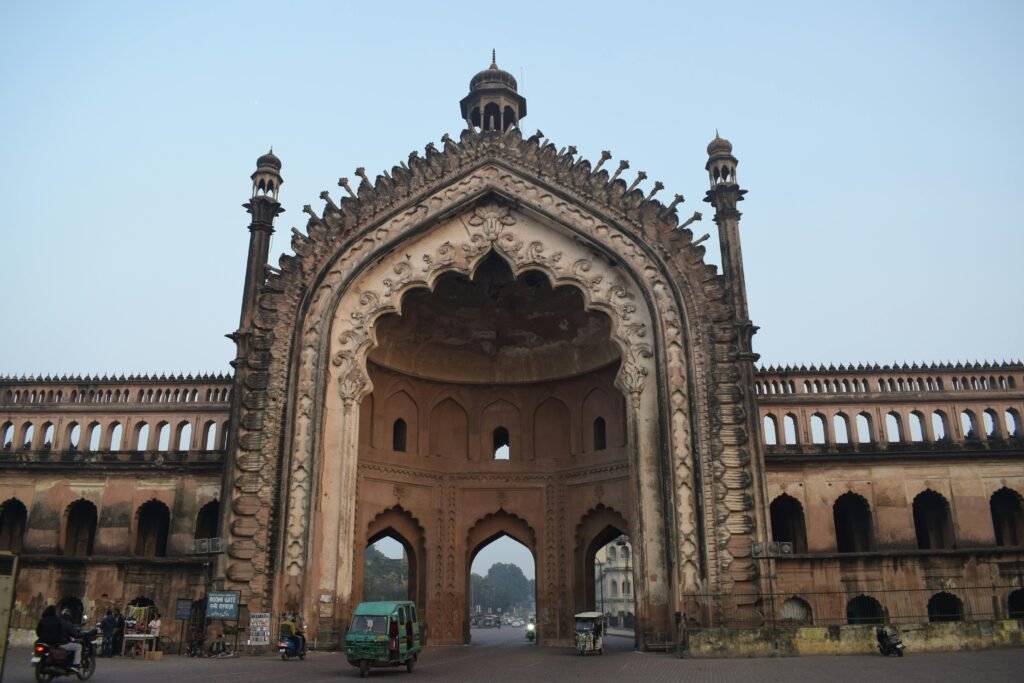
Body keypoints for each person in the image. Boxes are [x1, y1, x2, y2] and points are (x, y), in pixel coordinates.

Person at [36, 607, 84, 671]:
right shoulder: (57, 621)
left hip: (41, 641)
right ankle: (75, 665)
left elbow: (38, 631)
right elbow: (59, 632)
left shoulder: (42, 620)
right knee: (78, 646)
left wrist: (41, 637)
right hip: (57, 642)